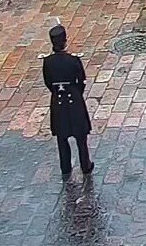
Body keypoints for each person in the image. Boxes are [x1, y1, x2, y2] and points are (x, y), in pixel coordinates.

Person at [42, 24, 94, 177]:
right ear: (65, 41)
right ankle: (85, 164)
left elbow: (48, 82)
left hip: (58, 102)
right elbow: (82, 81)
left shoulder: (48, 62)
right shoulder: (73, 60)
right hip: (74, 101)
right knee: (81, 137)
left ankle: (65, 167)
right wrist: (76, 94)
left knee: (62, 137)